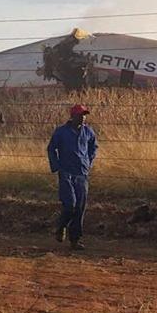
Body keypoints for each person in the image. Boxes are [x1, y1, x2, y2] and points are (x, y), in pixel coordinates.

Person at [47, 104, 98, 250]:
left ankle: (75, 239)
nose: (82, 117)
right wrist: (56, 166)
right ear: (72, 116)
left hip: (82, 173)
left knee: (80, 207)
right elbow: (51, 148)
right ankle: (61, 226)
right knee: (70, 204)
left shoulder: (88, 131)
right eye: (80, 115)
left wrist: (88, 161)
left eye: (84, 115)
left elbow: (93, 147)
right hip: (66, 172)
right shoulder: (61, 132)